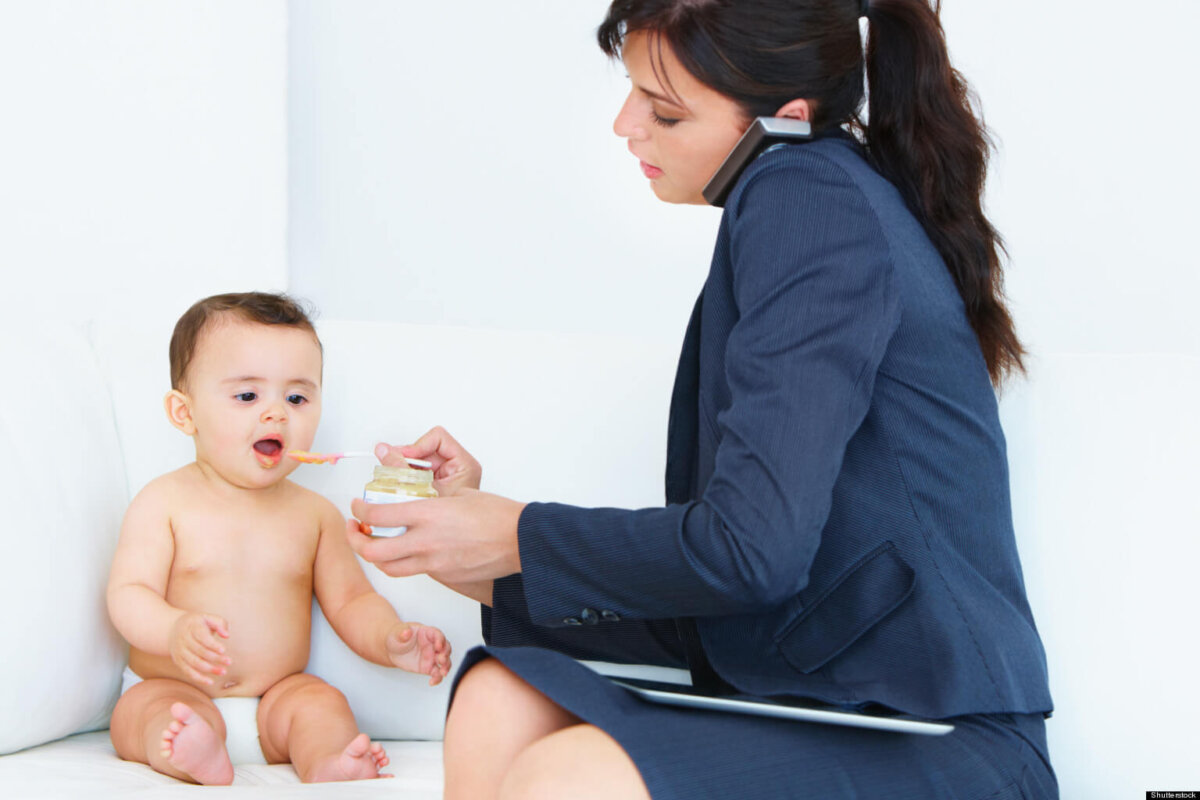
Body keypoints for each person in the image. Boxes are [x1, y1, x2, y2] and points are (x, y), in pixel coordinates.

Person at [347, 0, 1057, 797]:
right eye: (633, 93)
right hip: (830, 704)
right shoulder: (813, 191)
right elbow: (762, 593)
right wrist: (480, 559)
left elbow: (752, 554)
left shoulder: (805, 196)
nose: (625, 124)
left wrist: (516, 536)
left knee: (566, 772)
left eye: (665, 110)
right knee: (497, 696)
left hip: (942, 741)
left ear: (785, 118)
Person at [106, 292, 452, 785]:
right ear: (185, 414)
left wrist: (390, 641)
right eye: (248, 396)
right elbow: (128, 594)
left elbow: (352, 601)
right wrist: (172, 631)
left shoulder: (314, 515)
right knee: (141, 714)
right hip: (176, 687)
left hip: (277, 699)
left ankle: (329, 761)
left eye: (296, 398)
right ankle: (191, 750)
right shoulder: (163, 502)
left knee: (321, 702)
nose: (277, 415)